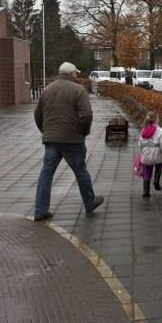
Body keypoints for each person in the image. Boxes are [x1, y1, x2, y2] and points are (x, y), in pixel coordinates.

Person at [33, 62, 105, 222]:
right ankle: (89, 202)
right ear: (72, 74)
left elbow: (37, 114)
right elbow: (86, 115)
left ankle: (40, 210)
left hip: (51, 139)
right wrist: (83, 132)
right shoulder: (79, 90)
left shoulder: (48, 89)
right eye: (76, 74)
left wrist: (46, 131)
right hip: (72, 139)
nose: (77, 76)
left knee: (46, 173)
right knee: (81, 171)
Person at [139, 111, 162, 197]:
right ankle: (156, 180)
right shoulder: (160, 131)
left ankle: (146, 191)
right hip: (157, 154)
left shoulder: (143, 130)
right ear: (156, 120)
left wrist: (142, 152)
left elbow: (140, 143)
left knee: (147, 171)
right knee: (159, 167)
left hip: (146, 154)